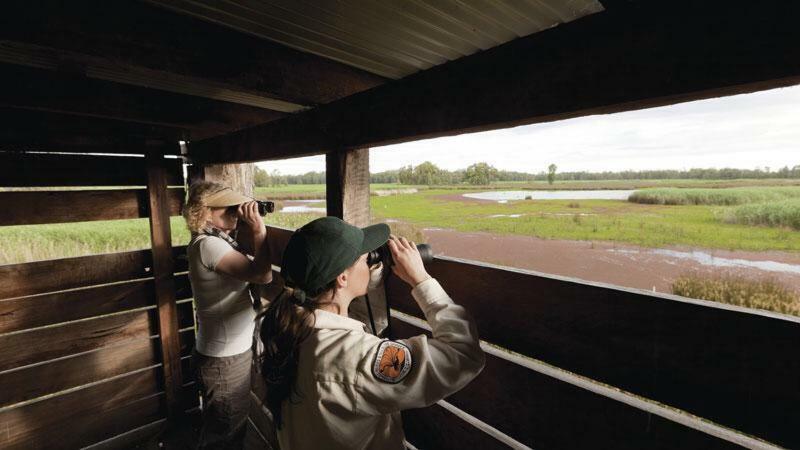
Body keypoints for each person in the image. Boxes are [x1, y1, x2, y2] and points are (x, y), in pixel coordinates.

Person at [257, 216, 485, 450]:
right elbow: (463, 354)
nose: (372, 262)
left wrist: (368, 279)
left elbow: (356, 328)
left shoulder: (287, 326)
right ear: (342, 278)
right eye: (366, 259)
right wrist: (421, 279)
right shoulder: (357, 358)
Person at [182, 181, 273, 449]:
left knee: (221, 428)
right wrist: (259, 230)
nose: (236, 214)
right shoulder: (209, 245)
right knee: (226, 435)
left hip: (224, 353)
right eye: (229, 209)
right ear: (206, 212)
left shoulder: (214, 240)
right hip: (224, 360)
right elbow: (263, 275)